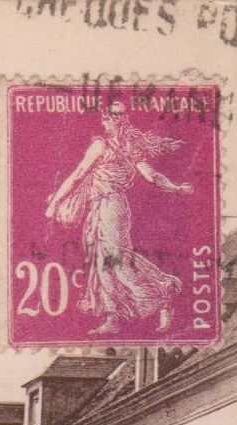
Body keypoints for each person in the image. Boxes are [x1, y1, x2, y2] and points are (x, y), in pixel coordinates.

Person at [44, 101, 194, 336]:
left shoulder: (102, 145)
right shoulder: (127, 147)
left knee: (115, 257)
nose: (104, 122)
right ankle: (112, 316)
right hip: (102, 207)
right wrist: (175, 187)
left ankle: (160, 291)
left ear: (115, 121)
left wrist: (54, 203)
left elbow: (77, 175)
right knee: (100, 261)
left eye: (106, 119)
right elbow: (152, 176)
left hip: (111, 205)